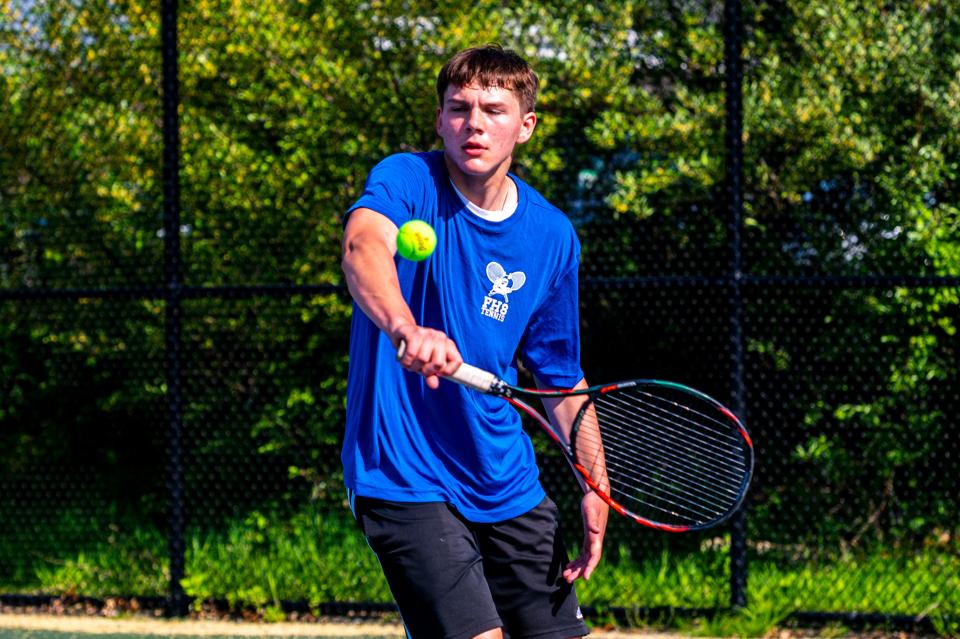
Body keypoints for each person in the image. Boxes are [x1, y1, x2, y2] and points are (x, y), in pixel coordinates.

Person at [340, 44, 609, 639]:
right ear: (439, 119)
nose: (475, 124)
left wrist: (595, 480)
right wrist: (404, 327)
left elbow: (559, 376)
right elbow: (363, 246)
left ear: (526, 126)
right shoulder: (407, 179)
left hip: (506, 481)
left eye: (493, 109)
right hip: (403, 473)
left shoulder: (552, 236)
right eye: (459, 109)